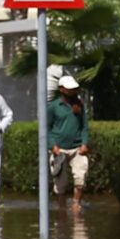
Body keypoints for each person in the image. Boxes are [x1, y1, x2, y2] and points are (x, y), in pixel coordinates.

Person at [46, 74, 92, 204]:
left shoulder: (80, 105)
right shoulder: (54, 107)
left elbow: (84, 126)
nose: (73, 91)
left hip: (77, 148)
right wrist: (53, 145)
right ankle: (62, 208)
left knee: (80, 178)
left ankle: (76, 204)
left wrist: (84, 143)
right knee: (61, 183)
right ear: (62, 89)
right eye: (69, 89)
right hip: (59, 150)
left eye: (74, 89)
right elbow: (46, 128)